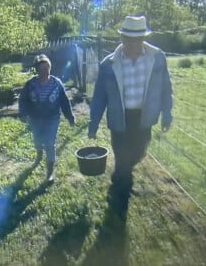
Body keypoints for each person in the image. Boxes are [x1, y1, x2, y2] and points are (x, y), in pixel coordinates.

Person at [88, 15, 173, 218]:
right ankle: (120, 197)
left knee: (139, 152)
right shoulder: (108, 64)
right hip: (120, 118)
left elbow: (165, 88)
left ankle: (121, 175)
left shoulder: (157, 58)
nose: (132, 44)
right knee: (122, 155)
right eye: (128, 39)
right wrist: (93, 123)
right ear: (122, 38)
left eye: (136, 40)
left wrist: (167, 113)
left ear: (142, 39)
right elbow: (99, 96)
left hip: (144, 117)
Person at [19, 54, 75, 182]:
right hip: (35, 119)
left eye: (47, 67)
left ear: (50, 68)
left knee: (50, 143)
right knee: (38, 141)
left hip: (52, 118)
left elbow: (64, 101)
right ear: (37, 70)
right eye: (42, 68)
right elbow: (23, 100)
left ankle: (49, 173)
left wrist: (70, 117)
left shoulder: (56, 84)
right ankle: (39, 154)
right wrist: (23, 113)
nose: (45, 71)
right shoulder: (30, 84)